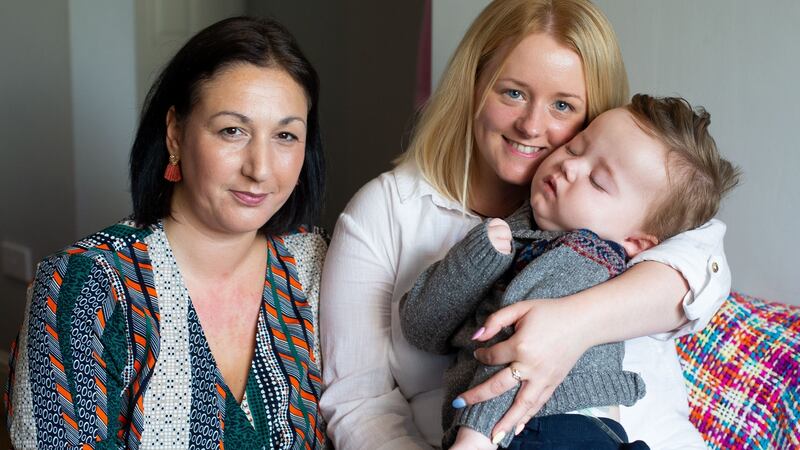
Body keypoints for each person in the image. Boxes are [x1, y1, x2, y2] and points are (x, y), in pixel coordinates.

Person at [319, 1, 731, 449]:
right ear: (474, 86)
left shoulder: (641, 201)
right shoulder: (388, 209)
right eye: (512, 93)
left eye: (562, 105)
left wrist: (571, 326)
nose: (532, 126)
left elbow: (702, 276)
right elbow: (359, 402)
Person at [5, 16, 327, 449]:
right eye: (233, 131)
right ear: (175, 132)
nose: (261, 169)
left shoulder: (315, 263)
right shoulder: (83, 287)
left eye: (286, 135)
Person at [400, 94, 740, 449]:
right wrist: (477, 256)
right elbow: (423, 328)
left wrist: (475, 437)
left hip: (558, 429)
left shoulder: (588, 255)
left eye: (597, 182)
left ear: (636, 242)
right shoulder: (520, 234)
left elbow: (520, 349)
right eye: (575, 149)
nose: (569, 167)